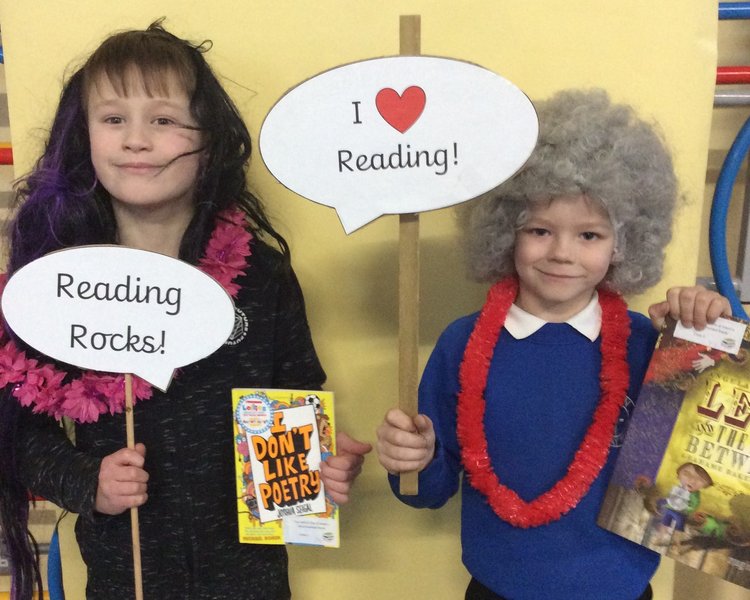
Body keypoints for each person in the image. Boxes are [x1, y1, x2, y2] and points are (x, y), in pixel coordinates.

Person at [0, 21, 371, 600]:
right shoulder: (59, 285)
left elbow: (294, 390)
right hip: (127, 577)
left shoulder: (261, 275)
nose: (136, 140)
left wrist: (319, 470)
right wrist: (86, 482)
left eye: (165, 119)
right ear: (85, 137)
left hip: (251, 578)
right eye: (113, 118)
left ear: (210, 140)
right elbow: (25, 430)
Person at [375, 89, 731, 600]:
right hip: (496, 587)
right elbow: (426, 493)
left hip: (622, 589)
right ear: (504, 232)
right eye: (540, 230)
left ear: (624, 243)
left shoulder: (648, 345)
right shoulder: (462, 343)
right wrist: (413, 458)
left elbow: (707, 478)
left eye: (589, 235)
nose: (562, 252)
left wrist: (706, 336)